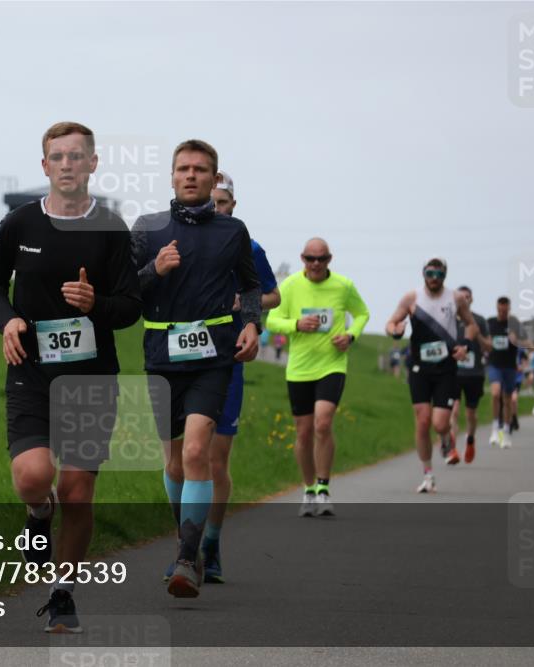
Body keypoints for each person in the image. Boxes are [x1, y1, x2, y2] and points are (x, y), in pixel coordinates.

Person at [0, 122, 141, 633]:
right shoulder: (19, 224)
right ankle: (36, 515)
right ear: (44, 166)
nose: (67, 164)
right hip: (30, 368)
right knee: (32, 478)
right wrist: (7, 319)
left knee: (77, 490)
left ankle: (62, 591)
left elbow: (131, 306)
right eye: (58, 156)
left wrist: (98, 304)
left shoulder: (112, 229)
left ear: (93, 164)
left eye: (77, 156)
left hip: (92, 375)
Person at [132, 140, 262, 598]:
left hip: (214, 355)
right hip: (162, 354)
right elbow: (127, 294)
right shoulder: (147, 229)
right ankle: (189, 542)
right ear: (171, 176)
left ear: (213, 178)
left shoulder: (233, 230)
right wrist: (155, 269)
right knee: (172, 460)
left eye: (200, 169)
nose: (191, 175)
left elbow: (250, 287)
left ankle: (187, 559)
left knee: (195, 453)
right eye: (183, 168)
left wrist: (251, 325)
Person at [190, 170, 280, 584]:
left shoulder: (248, 244)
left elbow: (272, 294)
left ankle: (210, 541)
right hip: (182, 357)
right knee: (182, 457)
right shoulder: (182, 238)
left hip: (227, 357)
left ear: (233, 206)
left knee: (215, 458)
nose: (217, 209)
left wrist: (244, 302)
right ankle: (185, 543)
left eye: (224, 203)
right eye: (213, 202)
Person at [266, 238, 370, 515]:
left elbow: (362, 314)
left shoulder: (343, 286)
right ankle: (309, 488)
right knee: (303, 432)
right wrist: (296, 324)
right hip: (299, 367)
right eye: (310, 258)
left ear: (329, 260)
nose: (315, 264)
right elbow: (271, 320)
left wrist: (350, 335)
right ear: (302, 259)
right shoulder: (289, 286)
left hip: (332, 365)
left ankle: (324, 488)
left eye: (321, 259)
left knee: (323, 424)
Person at [384, 259, 477, 493]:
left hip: (446, 368)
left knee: (440, 423)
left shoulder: (456, 298)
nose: (434, 277)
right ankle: (428, 475)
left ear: (445, 275)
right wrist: (396, 330)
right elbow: (391, 322)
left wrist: (465, 345)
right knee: (423, 421)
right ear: (423, 274)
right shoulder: (411, 298)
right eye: (430, 272)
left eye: (439, 273)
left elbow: (471, 325)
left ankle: (446, 439)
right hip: (419, 368)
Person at [448, 286, 490, 465]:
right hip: (454, 372)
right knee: (454, 409)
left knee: (471, 413)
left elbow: (489, 347)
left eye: (467, 297)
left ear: (471, 300)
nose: (464, 299)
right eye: (461, 297)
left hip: (474, 373)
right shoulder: (448, 319)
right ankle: (452, 449)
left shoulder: (479, 320)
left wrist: (477, 335)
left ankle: (470, 440)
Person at [486, 297, 527, 448]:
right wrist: (487, 343)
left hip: (510, 366)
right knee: (496, 393)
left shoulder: (515, 324)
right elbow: (484, 340)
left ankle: (506, 431)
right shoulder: (490, 322)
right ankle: (495, 427)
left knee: (508, 399)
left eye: (505, 310)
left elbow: (527, 343)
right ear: (497, 308)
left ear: (509, 308)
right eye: (500, 310)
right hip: (495, 364)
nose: (502, 312)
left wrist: (516, 340)